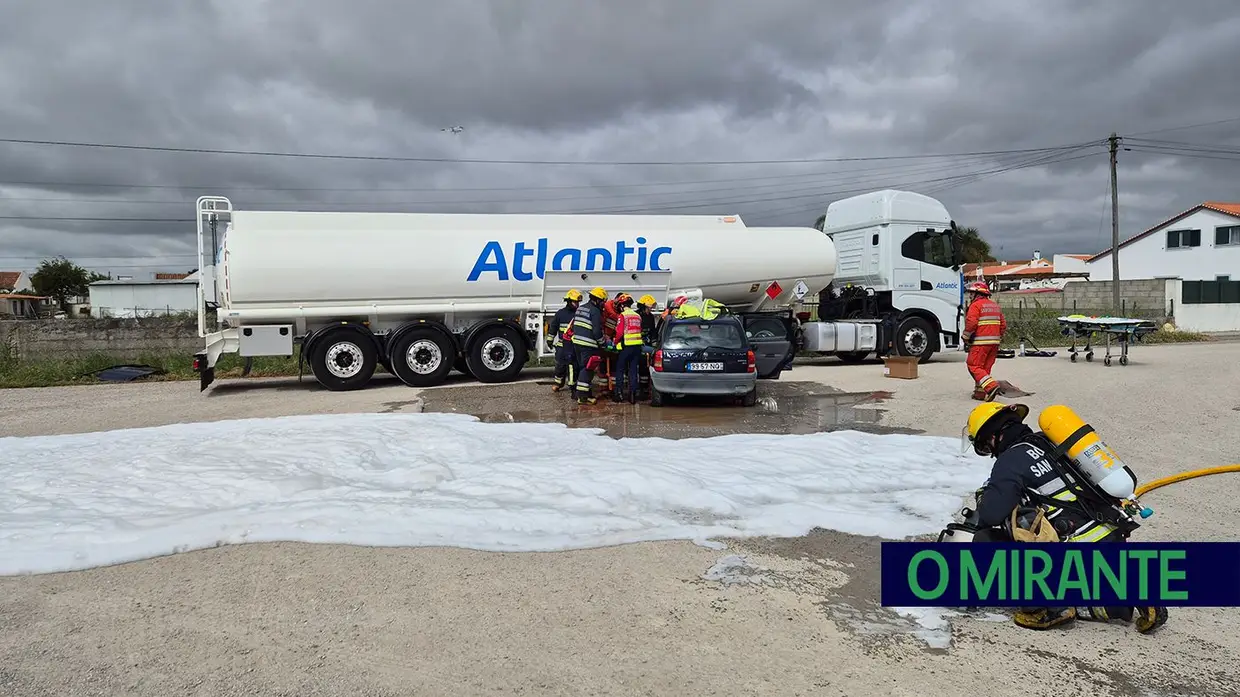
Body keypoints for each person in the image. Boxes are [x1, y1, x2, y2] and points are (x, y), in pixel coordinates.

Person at [963, 402, 1168, 634]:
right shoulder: (1052, 442)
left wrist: (985, 497)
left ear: (992, 437)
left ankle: (1051, 608)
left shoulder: (1010, 460)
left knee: (988, 538)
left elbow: (991, 514)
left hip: (1075, 546)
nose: (990, 452)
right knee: (1108, 604)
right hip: (1110, 536)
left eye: (985, 446)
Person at [962, 281, 1006, 401]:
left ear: (978, 294)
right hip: (994, 344)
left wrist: (965, 337)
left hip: (980, 343)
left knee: (974, 365)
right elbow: (1003, 325)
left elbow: (971, 323)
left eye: (972, 293)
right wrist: (997, 337)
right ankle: (980, 393)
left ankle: (992, 386)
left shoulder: (975, 305)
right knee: (984, 369)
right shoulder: (995, 306)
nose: (970, 295)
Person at [569, 286, 608, 405]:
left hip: (577, 343)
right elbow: (596, 331)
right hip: (588, 345)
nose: (603, 304)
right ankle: (583, 397)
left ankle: (583, 394)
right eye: (603, 301)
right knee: (587, 369)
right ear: (598, 300)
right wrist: (603, 343)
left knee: (582, 368)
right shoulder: (595, 311)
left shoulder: (580, 308)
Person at [547, 289, 581, 392]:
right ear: (569, 301)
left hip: (574, 345)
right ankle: (558, 383)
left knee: (573, 366)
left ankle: (572, 385)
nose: (577, 304)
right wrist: (550, 340)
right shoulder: (560, 313)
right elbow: (553, 327)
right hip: (562, 345)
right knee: (560, 366)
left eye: (578, 302)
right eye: (575, 302)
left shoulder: (579, 313)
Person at [612, 295, 645, 403]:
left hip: (626, 347)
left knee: (620, 369)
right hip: (637, 347)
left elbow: (619, 332)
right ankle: (632, 395)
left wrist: (615, 342)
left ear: (622, 306)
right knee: (633, 370)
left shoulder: (623, 316)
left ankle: (619, 394)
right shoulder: (638, 316)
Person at [636, 295, 659, 399]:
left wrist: (654, 344)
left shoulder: (650, 317)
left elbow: (653, 332)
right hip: (637, 345)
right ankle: (636, 389)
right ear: (643, 306)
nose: (651, 310)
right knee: (635, 367)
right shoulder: (636, 315)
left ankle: (644, 389)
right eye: (649, 307)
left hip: (647, 345)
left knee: (645, 367)